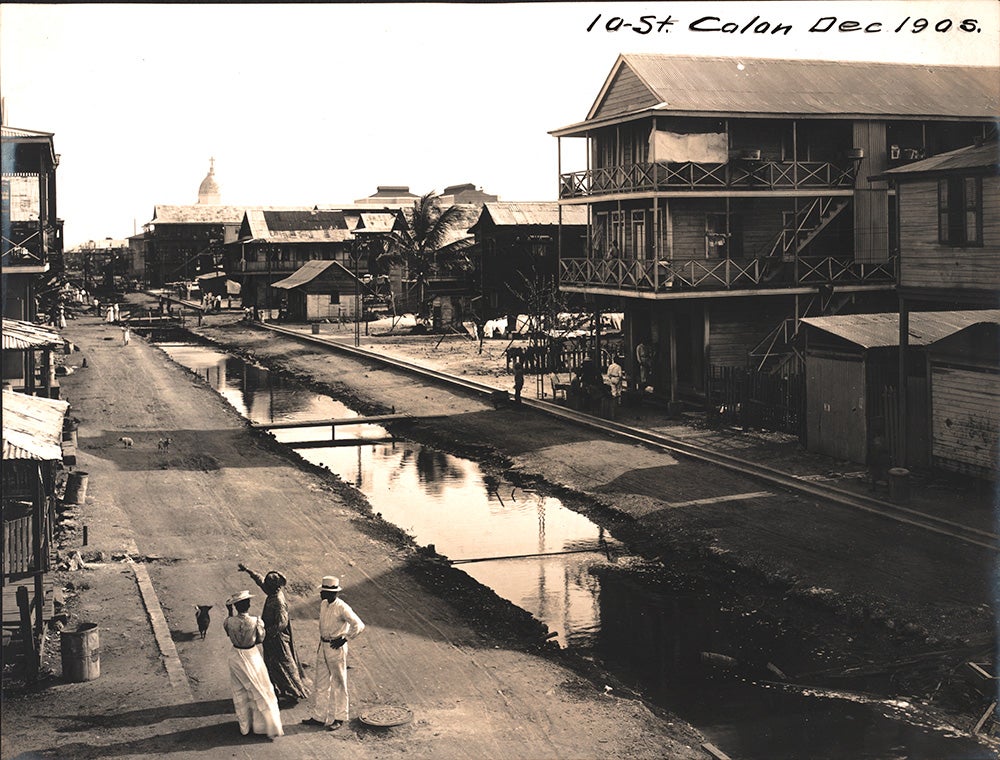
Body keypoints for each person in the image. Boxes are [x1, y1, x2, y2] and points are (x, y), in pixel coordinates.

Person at [238, 563, 309, 703]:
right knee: (271, 663)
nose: (266, 586)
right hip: (271, 638)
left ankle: (295, 691)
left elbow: (282, 623)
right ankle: (279, 688)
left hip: (278, 639)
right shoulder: (273, 593)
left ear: (274, 586)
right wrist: (248, 570)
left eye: (268, 585)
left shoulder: (278, 601)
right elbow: (260, 581)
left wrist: (265, 632)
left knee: (285, 663)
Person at [302, 576, 365, 731]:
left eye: (324, 591)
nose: (321, 594)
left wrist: (345, 638)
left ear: (333, 593)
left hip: (335, 647)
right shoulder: (324, 604)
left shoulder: (342, 607)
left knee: (339, 682)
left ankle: (340, 717)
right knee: (321, 683)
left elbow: (359, 624)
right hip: (322, 646)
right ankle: (319, 716)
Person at [223, 590, 284, 740]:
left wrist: (230, 611)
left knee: (239, 689)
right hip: (251, 655)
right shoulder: (256, 621)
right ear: (248, 605)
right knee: (261, 687)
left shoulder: (228, 621)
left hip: (235, 655)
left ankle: (245, 726)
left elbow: (228, 631)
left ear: (235, 606)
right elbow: (260, 639)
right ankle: (265, 725)